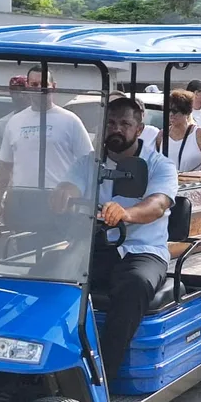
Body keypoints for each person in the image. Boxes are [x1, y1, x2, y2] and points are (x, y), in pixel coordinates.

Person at [51, 97, 178, 381]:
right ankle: (48, 362)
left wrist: (126, 213)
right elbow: (71, 184)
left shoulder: (159, 165)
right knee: (48, 274)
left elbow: (157, 204)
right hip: (96, 245)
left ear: (139, 128)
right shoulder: (89, 162)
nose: (116, 129)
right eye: (110, 123)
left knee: (135, 284)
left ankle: (101, 378)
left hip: (144, 250)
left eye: (125, 123)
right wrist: (64, 194)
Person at [0, 66, 92, 217]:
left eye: (44, 84)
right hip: (23, 202)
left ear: (53, 87)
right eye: (34, 85)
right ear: (27, 87)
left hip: (59, 203)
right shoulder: (15, 122)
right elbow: (4, 168)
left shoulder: (70, 121)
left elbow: (88, 163)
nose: (39, 88)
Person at [158, 89, 201, 173]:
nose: (171, 114)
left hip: (194, 184)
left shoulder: (199, 134)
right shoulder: (161, 135)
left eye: (175, 111)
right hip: (168, 184)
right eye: (168, 110)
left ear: (186, 112)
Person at [0, 75, 29, 164]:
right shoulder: (2, 125)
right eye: (16, 92)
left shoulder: (44, 120)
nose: (20, 96)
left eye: (24, 91)